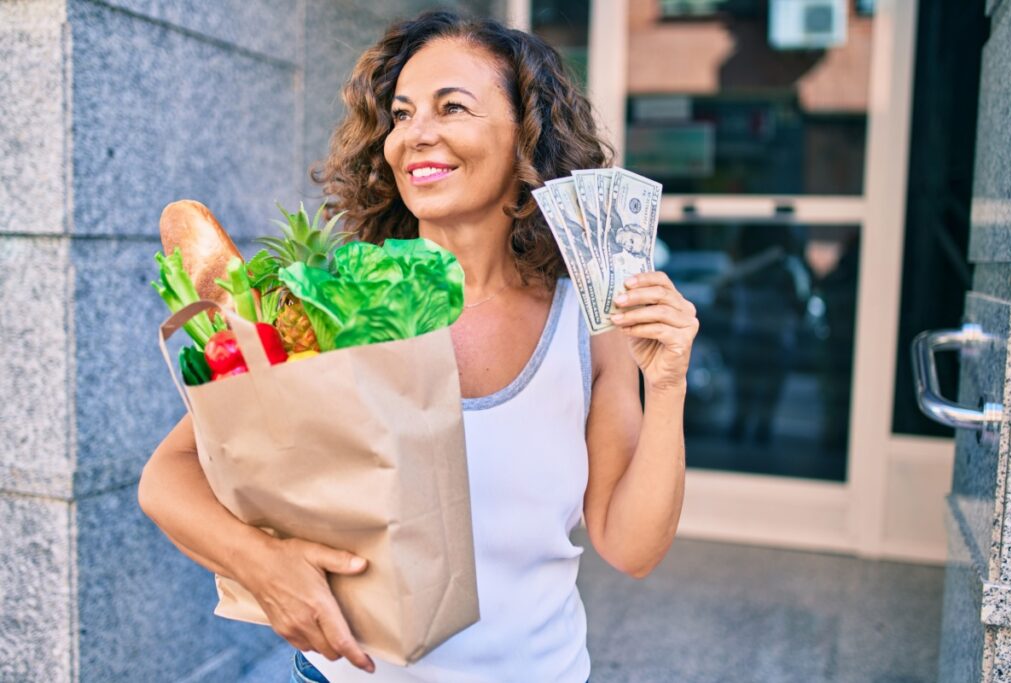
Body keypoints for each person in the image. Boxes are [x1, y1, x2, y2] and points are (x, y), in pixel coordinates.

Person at [138, 10, 699, 683]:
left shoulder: (586, 321)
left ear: (528, 135)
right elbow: (167, 478)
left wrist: (666, 385)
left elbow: (631, 545)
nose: (416, 136)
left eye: (451, 107)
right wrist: (263, 561)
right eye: (401, 115)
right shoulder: (336, 301)